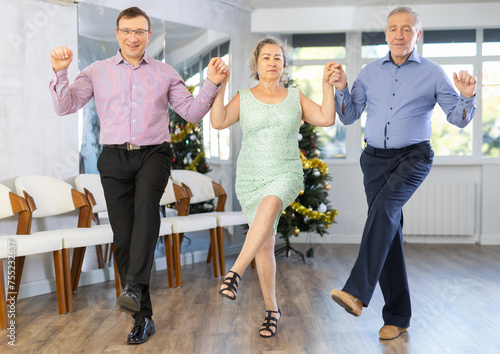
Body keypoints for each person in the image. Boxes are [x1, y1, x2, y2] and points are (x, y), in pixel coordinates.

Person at [49, 7, 228, 345]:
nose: (133, 37)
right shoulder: (96, 72)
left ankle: (132, 286)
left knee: (147, 207)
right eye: (127, 31)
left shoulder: (164, 73)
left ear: (149, 35)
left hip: (153, 154)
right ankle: (142, 317)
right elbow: (65, 107)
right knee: (123, 236)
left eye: (140, 32)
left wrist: (210, 84)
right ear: (117, 34)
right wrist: (60, 74)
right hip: (113, 157)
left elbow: (190, 112)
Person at [329, 6, 477, 340]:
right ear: (385, 34)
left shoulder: (434, 73)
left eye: (407, 29)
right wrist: (340, 87)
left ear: (417, 35)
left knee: (383, 212)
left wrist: (467, 97)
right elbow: (349, 115)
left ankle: (355, 293)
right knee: (388, 232)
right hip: (374, 160)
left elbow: (458, 118)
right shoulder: (369, 73)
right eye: (393, 28)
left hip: (414, 156)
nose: (399, 34)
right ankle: (397, 317)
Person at [210, 37, 337, 337]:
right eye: (266, 57)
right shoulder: (244, 96)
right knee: (264, 245)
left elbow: (327, 117)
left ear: (283, 64)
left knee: (271, 204)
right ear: (256, 63)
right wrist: (221, 86)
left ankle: (234, 273)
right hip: (251, 177)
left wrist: (326, 85)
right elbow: (218, 121)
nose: (272, 62)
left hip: (285, 173)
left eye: (278, 58)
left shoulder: (295, 97)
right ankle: (272, 311)